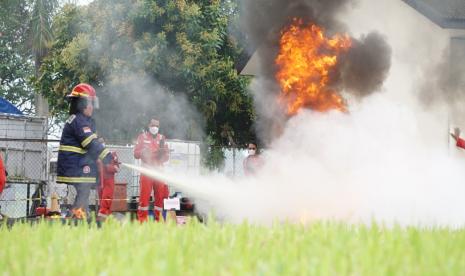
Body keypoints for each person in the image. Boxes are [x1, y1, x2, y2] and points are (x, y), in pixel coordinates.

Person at [56, 83, 115, 218]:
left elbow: (92, 141)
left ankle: (79, 215)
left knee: (84, 190)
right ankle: (77, 217)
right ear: (82, 104)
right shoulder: (79, 121)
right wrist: (107, 156)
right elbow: (89, 142)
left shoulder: (80, 120)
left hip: (76, 164)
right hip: (75, 165)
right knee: (84, 190)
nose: (92, 107)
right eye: (90, 103)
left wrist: (100, 145)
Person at [134, 118, 170, 222]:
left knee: (159, 198)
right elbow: (136, 154)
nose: (155, 128)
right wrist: (142, 152)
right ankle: (142, 221)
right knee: (144, 198)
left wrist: (163, 154)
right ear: (149, 125)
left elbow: (167, 157)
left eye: (157, 126)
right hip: (147, 172)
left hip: (159, 172)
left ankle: (158, 220)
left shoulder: (162, 138)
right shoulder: (142, 137)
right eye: (153, 125)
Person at [96, 137, 120, 221]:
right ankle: (107, 221)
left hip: (108, 181)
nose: (101, 144)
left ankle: (100, 220)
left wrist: (108, 166)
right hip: (99, 182)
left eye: (102, 142)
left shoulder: (111, 154)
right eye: (99, 143)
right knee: (103, 203)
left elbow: (117, 168)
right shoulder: (95, 156)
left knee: (105, 201)